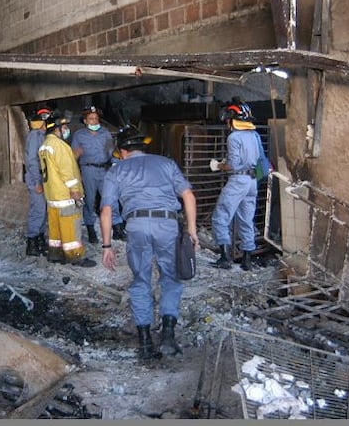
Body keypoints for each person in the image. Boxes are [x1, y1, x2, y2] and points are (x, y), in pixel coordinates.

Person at [99, 125, 198, 361]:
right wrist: (192, 232)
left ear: (122, 151)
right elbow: (188, 195)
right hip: (167, 225)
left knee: (141, 280)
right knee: (170, 279)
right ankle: (168, 337)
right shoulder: (166, 163)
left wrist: (106, 246)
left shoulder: (116, 171)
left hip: (137, 226)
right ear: (143, 146)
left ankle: (144, 343)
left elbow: (106, 209)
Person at [208, 98, 266, 271]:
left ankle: (225, 258)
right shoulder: (254, 135)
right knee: (246, 220)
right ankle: (246, 261)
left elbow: (232, 164)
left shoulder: (234, 137)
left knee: (220, 216)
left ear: (232, 119)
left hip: (238, 180)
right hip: (252, 181)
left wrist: (218, 165)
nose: (226, 122)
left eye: (227, 119)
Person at [38, 114, 96, 267]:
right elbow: (66, 170)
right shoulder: (59, 145)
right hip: (65, 195)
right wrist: (75, 189)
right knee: (71, 226)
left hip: (52, 195)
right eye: (64, 127)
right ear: (56, 129)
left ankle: (55, 254)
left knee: (55, 228)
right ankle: (75, 256)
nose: (66, 130)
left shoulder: (45, 145)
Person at [71, 105, 126, 244]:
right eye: (91, 119)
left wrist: (115, 163)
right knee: (89, 201)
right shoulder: (79, 135)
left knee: (111, 198)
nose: (94, 122)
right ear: (85, 121)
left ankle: (117, 228)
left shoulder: (105, 133)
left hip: (105, 170)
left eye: (96, 119)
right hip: (88, 170)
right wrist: (77, 175)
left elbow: (111, 151)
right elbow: (73, 157)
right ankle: (91, 230)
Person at [24, 107, 51, 257]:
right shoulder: (35, 135)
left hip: (42, 177)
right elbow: (33, 160)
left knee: (43, 211)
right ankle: (32, 243)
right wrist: (36, 183)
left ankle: (40, 240)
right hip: (37, 177)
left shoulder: (43, 135)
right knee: (38, 211)